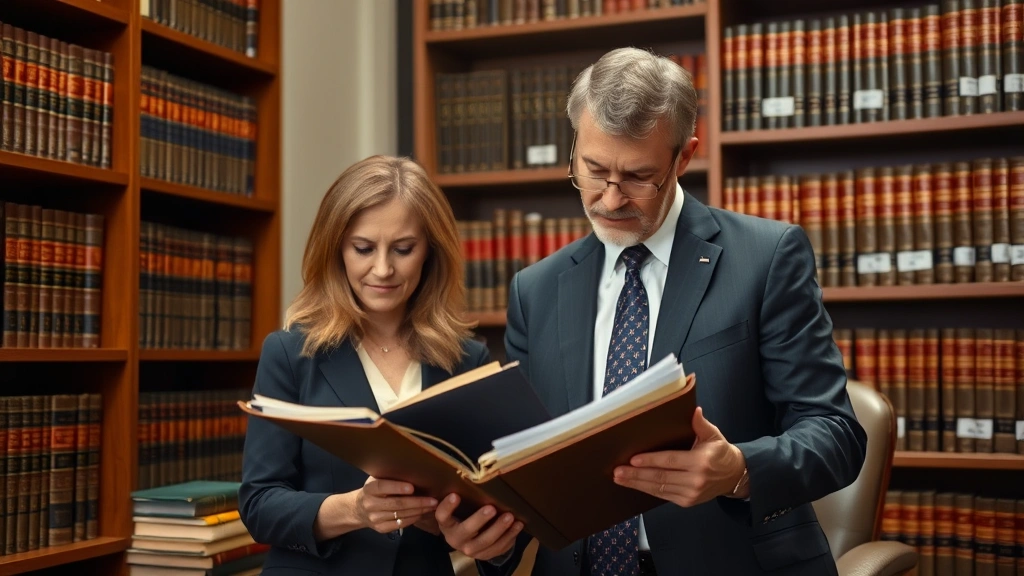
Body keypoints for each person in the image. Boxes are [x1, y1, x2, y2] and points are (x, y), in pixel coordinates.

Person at [434, 47, 868, 576]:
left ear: (683, 158)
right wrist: (492, 540)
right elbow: (530, 472)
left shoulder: (766, 258)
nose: (610, 200)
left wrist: (738, 470)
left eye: (639, 177)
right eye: (594, 170)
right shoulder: (536, 290)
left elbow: (835, 433)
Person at [239, 155, 490, 575]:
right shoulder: (290, 354)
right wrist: (355, 509)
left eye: (404, 249)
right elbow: (259, 506)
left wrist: (451, 522)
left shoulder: (468, 361)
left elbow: (485, 504)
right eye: (363, 248)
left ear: (430, 250)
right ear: (336, 248)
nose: (383, 269)